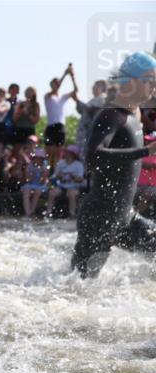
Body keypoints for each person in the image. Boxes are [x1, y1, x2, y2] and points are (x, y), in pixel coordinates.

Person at [71, 52, 156, 277]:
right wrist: (146, 151)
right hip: (99, 217)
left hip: (125, 216)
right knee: (77, 288)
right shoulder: (110, 116)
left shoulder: (134, 116)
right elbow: (93, 157)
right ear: (132, 82)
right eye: (150, 80)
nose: (154, 86)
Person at [44, 65, 78, 167]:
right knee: (49, 153)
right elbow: (55, 89)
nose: (56, 85)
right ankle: (48, 174)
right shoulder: (48, 96)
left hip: (60, 127)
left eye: (56, 83)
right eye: (54, 84)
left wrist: (72, 77)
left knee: (59, 153)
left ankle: (56, 174)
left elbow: (76, 90)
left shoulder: (63, 97)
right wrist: (65, 74)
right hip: (51, 126)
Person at [45, 145, 85, 218]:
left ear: (74, 155)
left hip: (74, 186)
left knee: (71, 194)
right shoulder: (61, 163)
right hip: (61, 186)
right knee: (52, 193)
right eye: (66, 152)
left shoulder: (79, 165)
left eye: (69, 153)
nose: (67, 154)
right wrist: (58, 176)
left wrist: (72, 177)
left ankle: (72, 214)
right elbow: (54, 176)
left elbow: (81, 179)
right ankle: (48, 213)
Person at [21, 148, 50, 217]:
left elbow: (43, 181)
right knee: (26, 191)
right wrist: (31, 176)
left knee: (37, 192)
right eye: (36, 158)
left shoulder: (45, 167)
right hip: (31, 184)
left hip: (41, 185)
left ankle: (32, 211)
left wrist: (42, 174)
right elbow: (27, 179)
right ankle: (27, 212)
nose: (37, 160)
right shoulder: (29, 166)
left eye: (39, 158)